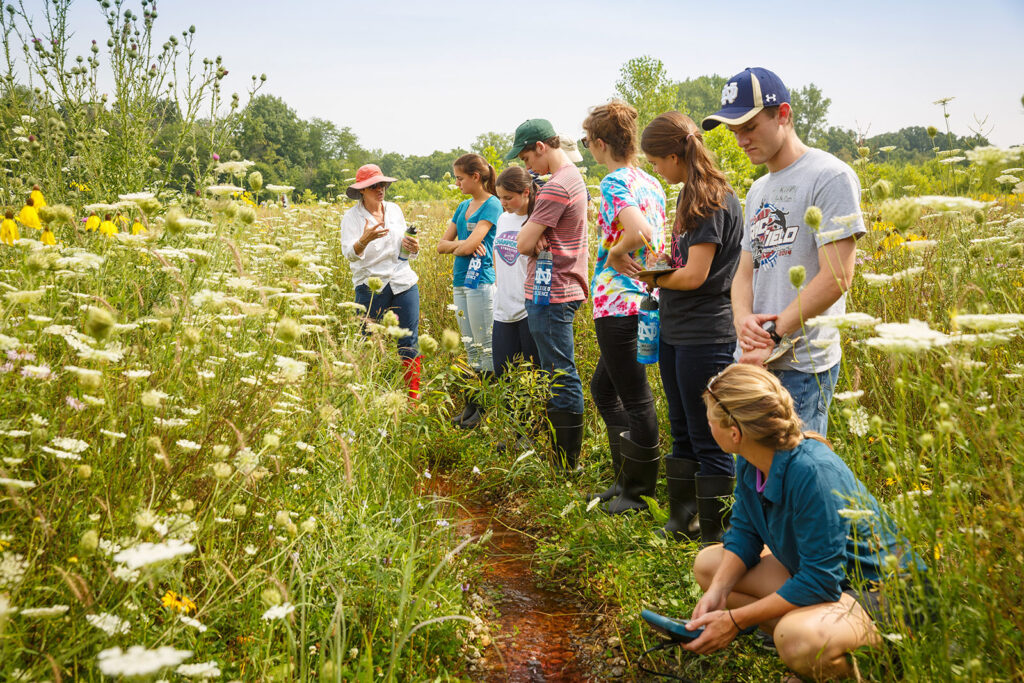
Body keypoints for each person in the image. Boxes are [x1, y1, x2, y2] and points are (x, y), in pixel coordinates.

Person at [683, 364, 929, 681]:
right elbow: (744, 531)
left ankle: (841, 657)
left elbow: (819, 581)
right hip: (829, 582)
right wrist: (718, 591)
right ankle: (815, 652)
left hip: (882, 595)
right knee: (709, 567)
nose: (707, 426)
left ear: (735, 433)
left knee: (795, 637)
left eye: (709, 420)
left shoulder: (814, 473)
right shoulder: (751, 457)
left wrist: (736, 619)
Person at [702, 67, 865, 436]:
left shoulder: (829, 176)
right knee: (753, 472)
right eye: (734, 130)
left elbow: (838, 276)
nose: (741, 139)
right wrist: (743, 321)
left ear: (784, 114)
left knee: (794, 479)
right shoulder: (759, 189)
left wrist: (775, 335)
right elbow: (746, 271)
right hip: (753, 358)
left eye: (750, 127)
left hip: (802, 365)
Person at [637, 111, 742, 542]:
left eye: (658, 161)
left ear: (676, 154)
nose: (657, 170)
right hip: (677, 327)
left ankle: (714, 534)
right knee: (681, 428)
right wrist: (660, 269)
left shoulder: (711, 198)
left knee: (709, 435)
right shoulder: (688, 196)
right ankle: (681, 521)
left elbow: (697, 275)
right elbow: (682, 264)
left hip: (707, 332)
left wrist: (652, 278)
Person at [578, 101, 666, 514]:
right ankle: (624, 480)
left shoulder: (614, 182)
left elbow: (640, 231)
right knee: (605, 389)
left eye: (587, 142)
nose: (588, 150)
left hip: (618, 301)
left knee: (634, 398)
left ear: (600, 143)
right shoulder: (651, 181)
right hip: (645, 297)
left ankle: (638, 494)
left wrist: (614, 254)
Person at [508, 118, 589, 470]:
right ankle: (561, 455)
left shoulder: (558, 185)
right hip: (556, 288)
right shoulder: (572, 179)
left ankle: (566, 463)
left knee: (559, 373)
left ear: (541, 147)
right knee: (555, 371)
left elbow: (523, 241)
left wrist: (530, 232)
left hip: (553, 291)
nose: (527, 167)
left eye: (527, 159)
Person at [340, 164, 422, 399]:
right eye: (373, 186)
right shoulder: (352, 218)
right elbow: (349, 253)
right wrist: (363, 240)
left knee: (408, 339)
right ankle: (363, 395)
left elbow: (406, 246)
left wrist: (413, 247)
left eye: (383, 184)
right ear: (362, 191)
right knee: (366, 340)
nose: (380, 189)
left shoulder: (394, 210)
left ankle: (412, 398)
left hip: (403, 280)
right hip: (371, 284)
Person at [437, 153, 502, 429]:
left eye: (460, 178)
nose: (457, 183)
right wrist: (461, 244)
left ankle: (484, 411)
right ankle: (470, 406)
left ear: (476, 177)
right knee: (469, 346)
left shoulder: (493, 204)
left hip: (482, 281)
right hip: (460, 281)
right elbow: (442, 245)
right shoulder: (463, 206)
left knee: (484, 346)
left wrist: (459, 245)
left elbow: (464, 246)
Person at [493, 166, 542, 450]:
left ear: (526, 192)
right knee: (504, 373)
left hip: (528, 308)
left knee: (532, 375)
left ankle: (532, 434)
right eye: (500, 197)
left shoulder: (537, 219)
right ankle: (513, 429)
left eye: (508, 197)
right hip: (503, 308)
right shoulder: (502, 219)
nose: (504, 203)